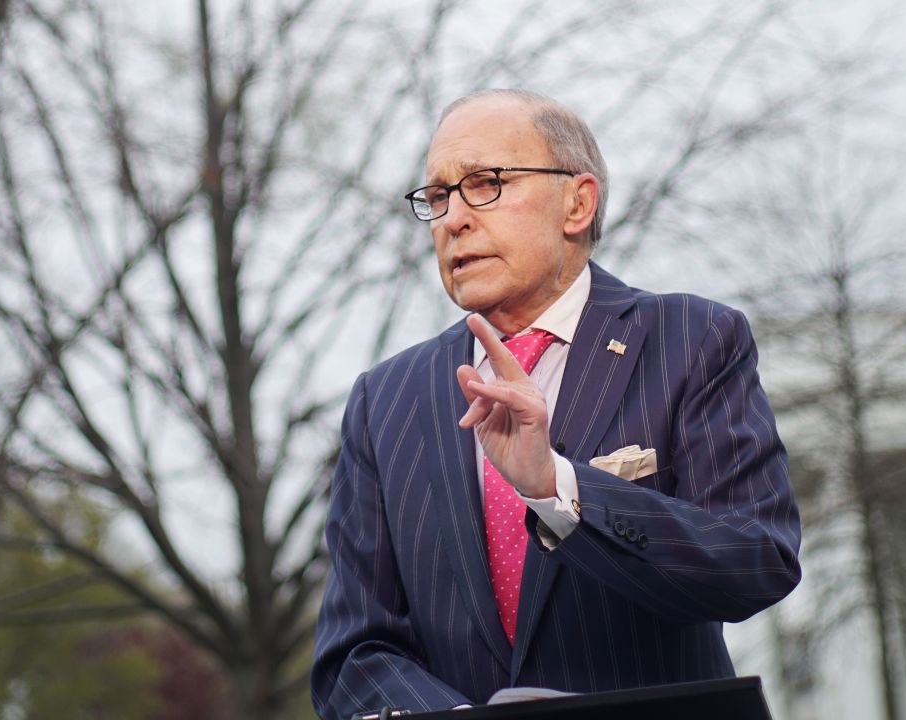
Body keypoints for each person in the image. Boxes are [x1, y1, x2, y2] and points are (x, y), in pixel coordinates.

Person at [311, 89, 801, 719]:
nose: (453, 218)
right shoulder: (385, 401)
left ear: (578, 202)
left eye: (485, 183)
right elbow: (355, 652)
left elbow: (755, 558)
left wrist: (560, 490)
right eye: (437, 197)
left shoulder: (692, 339)